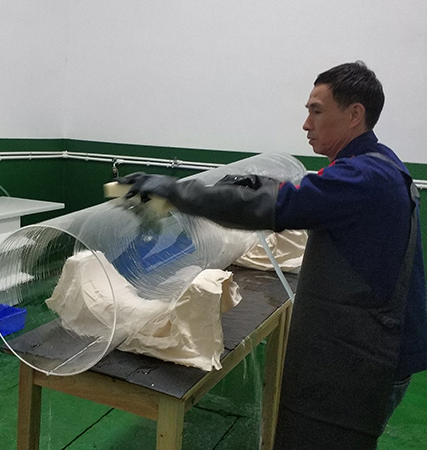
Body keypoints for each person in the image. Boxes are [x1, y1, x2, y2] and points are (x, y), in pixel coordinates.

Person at [118, 62, 427, 449]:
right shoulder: (379, 163)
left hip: (371, 353)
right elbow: (313, 191)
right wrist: (260, 182)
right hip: (380, 338)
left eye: (316, 111)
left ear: (354, 114)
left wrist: (174, 191)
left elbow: (276, 206)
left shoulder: (363, 178)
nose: (306, 124)